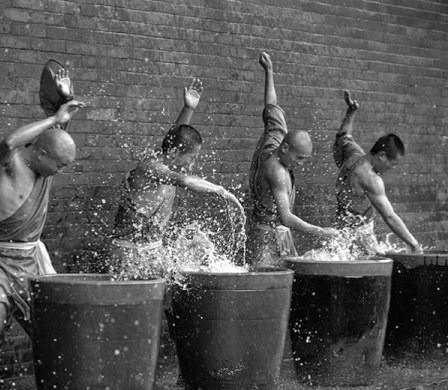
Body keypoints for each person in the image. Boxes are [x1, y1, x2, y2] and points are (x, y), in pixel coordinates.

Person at [0, 65, 85, 338]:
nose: (59, 172)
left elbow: (60, 130)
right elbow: (9, 142)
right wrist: (51, 121)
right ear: (43, 153)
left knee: (54, 336)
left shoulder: (45, 164)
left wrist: (64, 100)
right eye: (59, 165)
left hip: (32, 262)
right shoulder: (9, 165)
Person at [109, 78, 244, 280]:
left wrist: (188, 109)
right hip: (129, 252)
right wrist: (220, 191)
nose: (192, 165)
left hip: (152, 249)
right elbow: (182, 180)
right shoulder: (151, 167)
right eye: (192, 158)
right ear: (175, 153)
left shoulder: (168, 155)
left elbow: (174, 138)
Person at [246, 52, 338, 267]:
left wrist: (269, 72)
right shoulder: (276, 171)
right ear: (285, 148)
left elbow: (271, 106)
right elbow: (286, 217)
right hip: (265, 234)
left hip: (280, 230)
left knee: (290, 272)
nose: (301, 164)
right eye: (299, 158)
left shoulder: (277, 136)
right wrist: (321, 231)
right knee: (267, 281)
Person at [332, 89, 422, 254]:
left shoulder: (354, 155)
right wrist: (414, 244)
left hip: (341, 235)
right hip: (359, 240)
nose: (392, 168)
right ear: (381, 156)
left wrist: (351, 113)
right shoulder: (370, 179)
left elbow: (343, 137)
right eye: (392, 163)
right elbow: (389, 217)